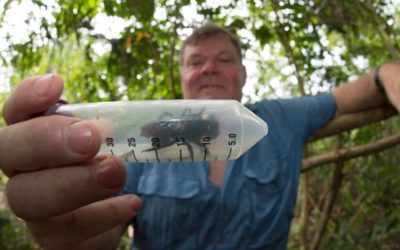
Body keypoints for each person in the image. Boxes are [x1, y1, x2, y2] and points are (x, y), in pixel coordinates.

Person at [0, 22, 399, 249]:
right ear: (182, 77)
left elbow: (357, 94)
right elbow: (98, 238)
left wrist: (389, 72)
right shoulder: (144, 133)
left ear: (243, 75)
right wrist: (60, 226)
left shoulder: (279, 119)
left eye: (224, 60)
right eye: (196, 61)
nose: (209, 68)